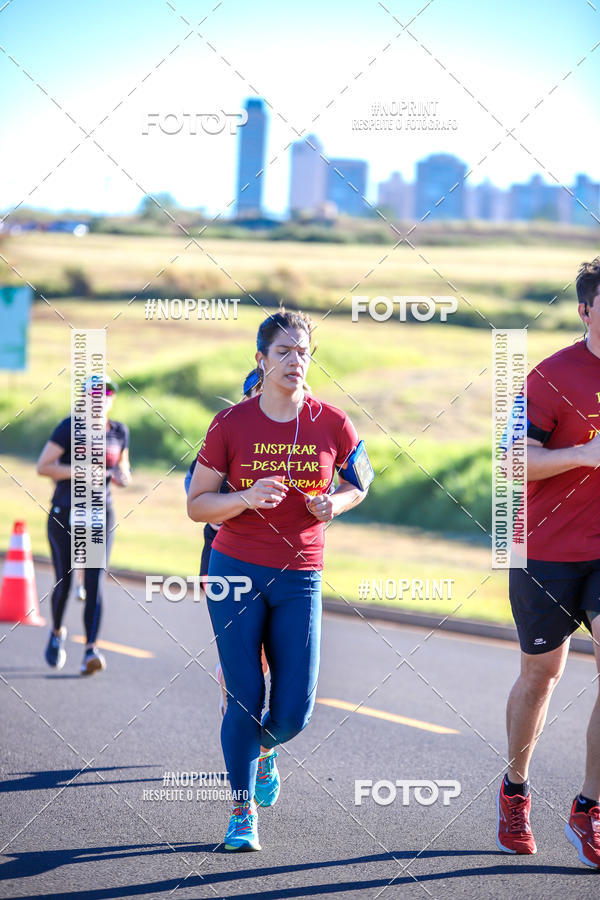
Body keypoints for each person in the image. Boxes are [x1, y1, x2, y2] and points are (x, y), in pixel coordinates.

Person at [187, 309, 370, 851]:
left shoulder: (332, 422)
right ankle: (241, 811)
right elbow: (197, 505)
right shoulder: (230, 424)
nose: (296, 361)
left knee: (295, 712)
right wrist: (244, 497)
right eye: (284, 352)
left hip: (300, 577)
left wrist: (333, 503)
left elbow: (360, 481)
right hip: (235, 571)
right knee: (243, 695)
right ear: (261, 360)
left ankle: (264, 748)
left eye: (304, 352)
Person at [497, 257, 600, 868]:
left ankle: (589, 807)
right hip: (545, 548)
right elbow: (513, 462)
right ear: (586, 309)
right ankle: (516, 789)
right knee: (543, 674)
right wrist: (586, 454)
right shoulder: (548, 376)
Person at [36, 376, 131, 675]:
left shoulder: (118, 431)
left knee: (95, 581)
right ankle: (57, 633)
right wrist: (80, 471)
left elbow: (123, 466)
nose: (102, 398)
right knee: (64, 581)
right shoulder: (69, 427)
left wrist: (122, 476)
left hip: (101, 513)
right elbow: (44, 466)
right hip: (66, 512)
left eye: (108, 393)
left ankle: (90, 650)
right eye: (95, 394)